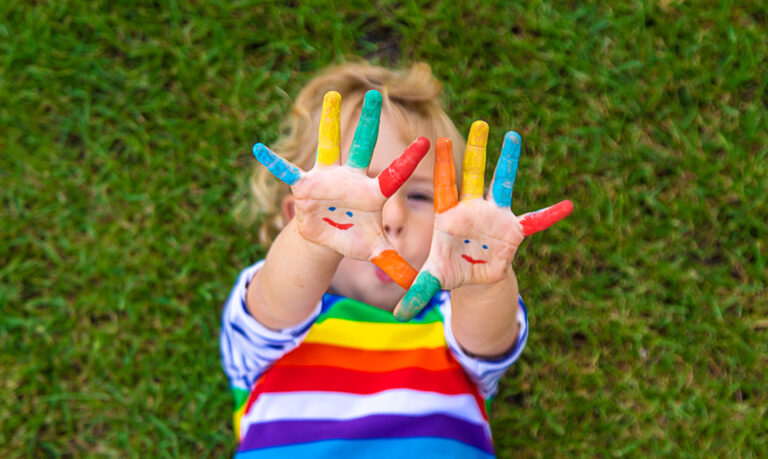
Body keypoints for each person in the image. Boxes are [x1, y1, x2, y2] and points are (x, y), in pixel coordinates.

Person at [220, 61, 571, 458]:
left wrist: (480, 273)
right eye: (346, 202)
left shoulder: (452, 319)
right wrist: (315, 238)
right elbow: (279, 297)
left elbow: (489, 340)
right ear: (296, 217)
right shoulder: (276, 327)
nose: (393, 218)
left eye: (420, 197)